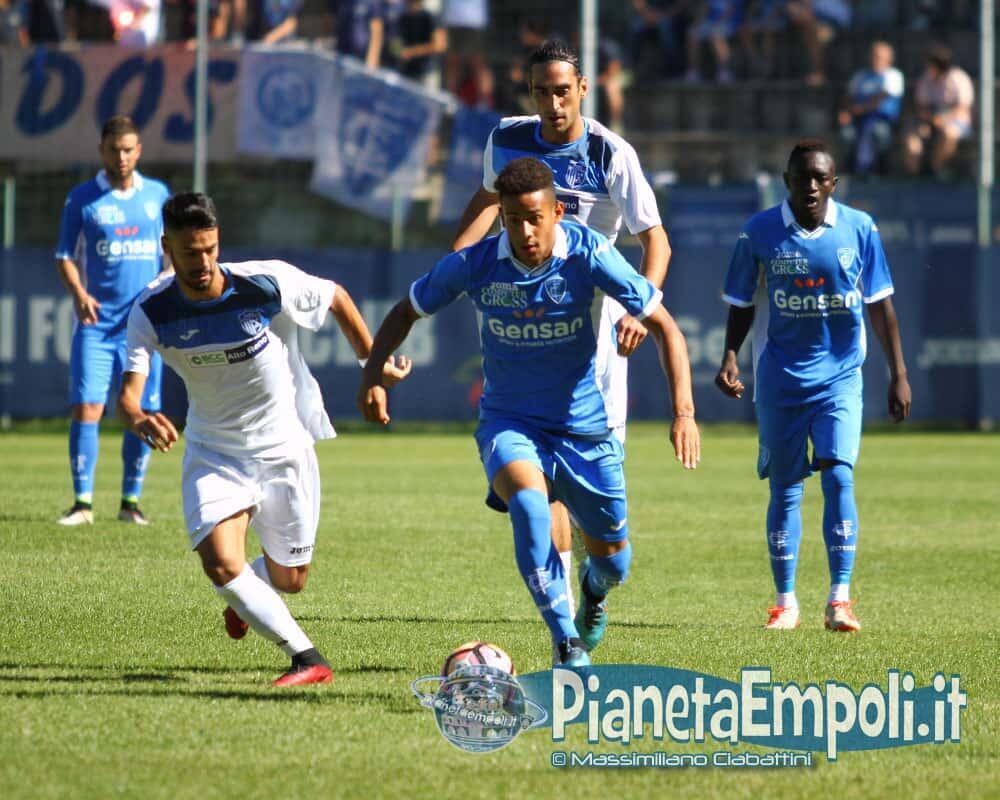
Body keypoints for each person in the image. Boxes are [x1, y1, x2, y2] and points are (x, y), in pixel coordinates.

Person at [359, 157, 699, 666]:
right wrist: (372, 376)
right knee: (529, 507)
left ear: (557, 212)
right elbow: (407, 310)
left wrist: (684, 413)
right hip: (509, 422)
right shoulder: (476, 263)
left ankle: (594, 591)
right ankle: (567, 642)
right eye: (513, 219)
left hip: (583, 429)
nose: (524, 232)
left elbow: (666, 328)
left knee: (615, 563)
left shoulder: (589, 253)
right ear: (500, 216)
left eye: (535, 218)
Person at [118, 192, 411, 686]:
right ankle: (308, 658)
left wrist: (372, 368)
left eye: (210, 249)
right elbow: (128, 397)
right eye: (190, 252)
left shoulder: (263, 283)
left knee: (290, 580)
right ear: (167, 248)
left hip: (284, 448)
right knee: (220, 563)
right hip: (215, 451)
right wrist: (138, 416)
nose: (203, 263)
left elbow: (336, 297)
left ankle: (248, 598)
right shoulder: (151, 310)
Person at [452, 39, 672, 633]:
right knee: (540, 481)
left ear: (582, 90)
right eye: (542, 92)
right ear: (530, 93)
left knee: (596, 509)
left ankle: (595, 587)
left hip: (596, 335)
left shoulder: (610, 153)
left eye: (563, 91)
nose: (553, 104)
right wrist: (460, 260)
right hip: (531, 324)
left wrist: (639, 308)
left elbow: (655, 239)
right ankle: (564, 622)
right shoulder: (507, 139)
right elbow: (488, 201)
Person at [715, 139, 911, 633]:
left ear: (833, 183)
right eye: (802, 177)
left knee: (839, 475)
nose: (811, 186)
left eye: (820, 178)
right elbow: (741, 303)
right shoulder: (759, 231)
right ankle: (785, 603)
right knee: (785, 489)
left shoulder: (860, 229)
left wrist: (899, 374)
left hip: (840, 378)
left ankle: (839, 600)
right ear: (787, 182)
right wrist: (731, 355)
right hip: (781, 381)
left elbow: (880, 305)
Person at [54, 115, 170, 527]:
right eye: (114, 150)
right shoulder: (83, 199)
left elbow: (171, 252)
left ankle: (130, 503)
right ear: (101, 151)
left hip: (144, 327)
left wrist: (169, 285)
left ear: (138, 151)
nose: (121, 157)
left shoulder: (157, 195)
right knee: (87, 406)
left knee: (143, 410)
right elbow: (64, 256)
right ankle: (82, 503)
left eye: (128, 150)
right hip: (97, 325)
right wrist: (79, 293)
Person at [903, 45, 975, 178]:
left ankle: (938, 171)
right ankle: (913, 175)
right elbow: (921, 106)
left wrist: (943, 119)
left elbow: (962, 107)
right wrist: (932, 119)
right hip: (930, 121)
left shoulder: (959, 78)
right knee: (912, 137)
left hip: (957, 121)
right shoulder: (926, 78)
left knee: (949, 133)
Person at [838, 40, 904, 177]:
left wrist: (862, 109)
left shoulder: (893, 75)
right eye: (873, 55)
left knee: (879, 133)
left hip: (883, 120)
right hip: (858, 119)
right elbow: (848, 97)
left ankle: (880, 171)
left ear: (889, 59)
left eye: (879, 56)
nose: (875, 59)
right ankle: (852, 170)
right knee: (847, 135)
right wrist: (846, 112)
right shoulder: (860, 76)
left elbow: (882, 97)